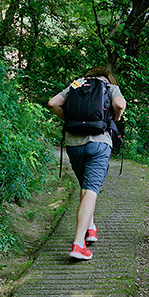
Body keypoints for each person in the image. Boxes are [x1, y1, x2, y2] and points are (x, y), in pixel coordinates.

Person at [47, 67, 127, 260]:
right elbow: (119, 104)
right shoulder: (109, 87)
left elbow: (53, 103)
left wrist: (70, 120)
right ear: (106, 79)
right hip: (99, 143)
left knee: (85, 186)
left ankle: (90, 229)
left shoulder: (76, 84)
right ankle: (78, 244)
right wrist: (114, 119)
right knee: (91, 191)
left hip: (73, 143)